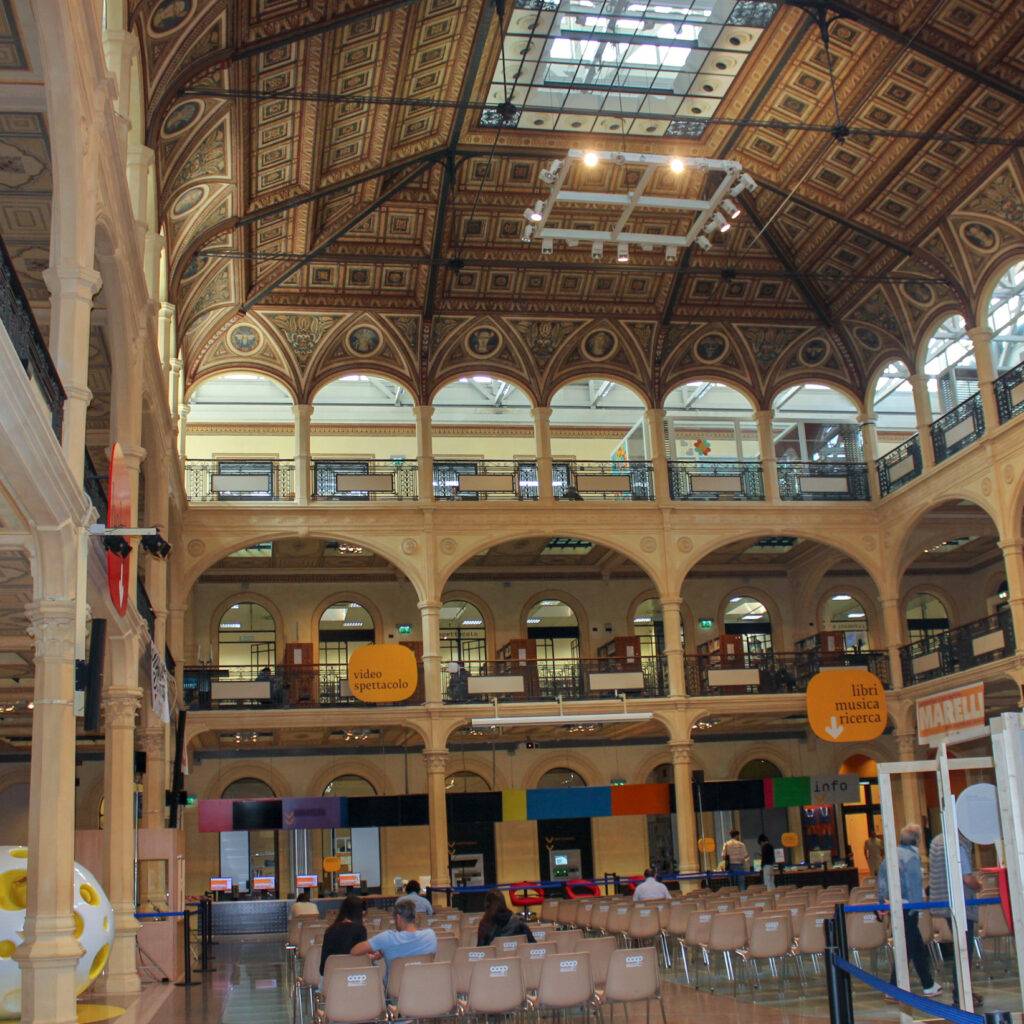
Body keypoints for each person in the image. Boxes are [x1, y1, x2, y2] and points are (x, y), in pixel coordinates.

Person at [877, 824, 941, 998]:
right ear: (918, 840)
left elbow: (882, 878)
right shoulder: (912, 857)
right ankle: (903, 986)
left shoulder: (890, 855)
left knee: (912, 946)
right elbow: (914, 885)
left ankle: (924, 984)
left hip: (895, 905)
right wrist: (917, 907)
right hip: (908, 906)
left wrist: (881, 899)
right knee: (911, 946)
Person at [929, 830, 982, 1007]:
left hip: (945, 900)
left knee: (961, 949)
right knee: (964, 951)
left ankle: (964, 991)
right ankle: (961, 994)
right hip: (961, 903)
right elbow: (967, 878)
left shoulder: (937, 840)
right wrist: (978, 885)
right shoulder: (959, 844)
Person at [351, 898, 436, 981]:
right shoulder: (430, 935)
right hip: (423, 989)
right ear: (415, 917)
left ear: (398, 918)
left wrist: (381, 951)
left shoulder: (387, 938)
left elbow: (355, 951)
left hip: (395, 993)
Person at [319, 895, 367, 973]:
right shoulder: (360, 930)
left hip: (330, 978)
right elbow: (360, 961)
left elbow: (322, 968)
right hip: (353, 976)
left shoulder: (330, 929)